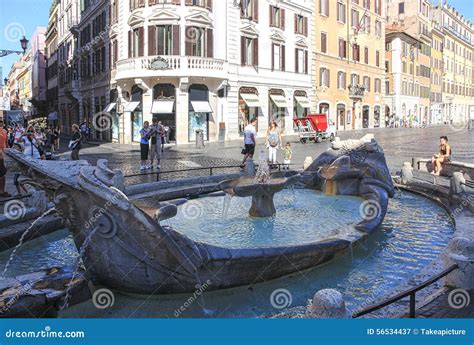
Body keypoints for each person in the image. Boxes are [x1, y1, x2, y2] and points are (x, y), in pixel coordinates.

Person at [0, 119, 12, 198]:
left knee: (2, 174)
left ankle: (2, 191)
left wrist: (8, 150)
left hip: (1, 156)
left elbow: (6, 143)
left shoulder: (4, 131)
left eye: (1, 122)